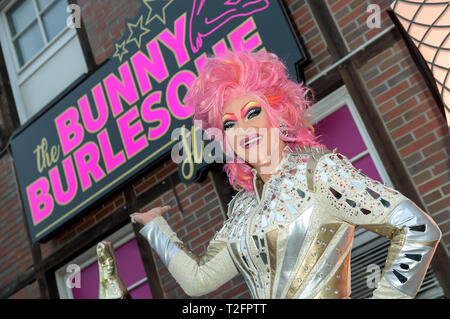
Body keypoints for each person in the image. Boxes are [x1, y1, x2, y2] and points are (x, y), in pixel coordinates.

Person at [130, 50, 442, 299]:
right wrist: (155, 227)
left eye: (252, 112)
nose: (244, 129)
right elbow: (199, 280)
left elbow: (416, 229)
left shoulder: (318, 173)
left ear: (279, 117)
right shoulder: (242, 209)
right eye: (230, 124)